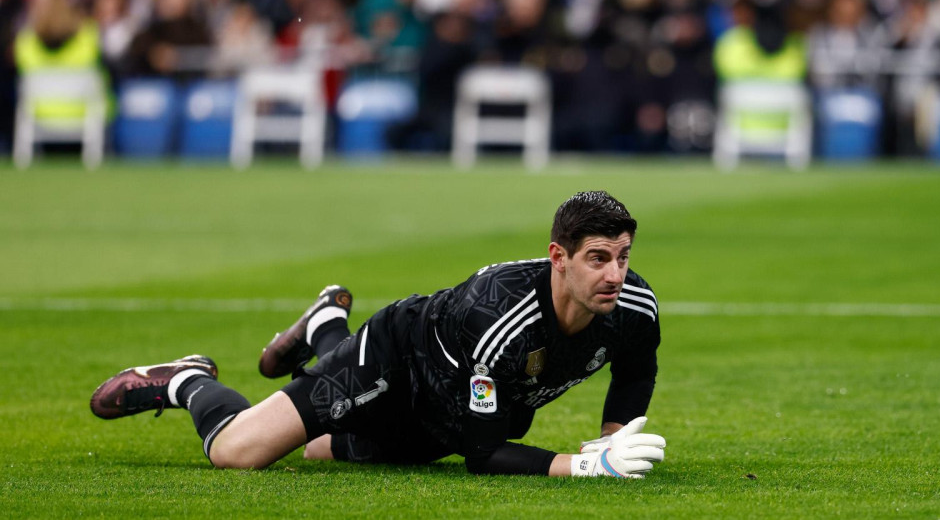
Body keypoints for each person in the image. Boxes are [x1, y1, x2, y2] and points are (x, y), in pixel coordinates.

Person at [90, 191, 667, 478]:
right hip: (395, 360)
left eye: (622, 256)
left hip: (444, 409)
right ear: (557, 258)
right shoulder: (499, 319)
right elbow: (483, 452)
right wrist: (589, 465)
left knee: (317, 448)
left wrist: (610, 440)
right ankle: (186, 379)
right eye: (597, 258)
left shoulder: (634, 306)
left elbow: (636, 367)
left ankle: (322, 323)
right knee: (240, 452)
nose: (615, 275)